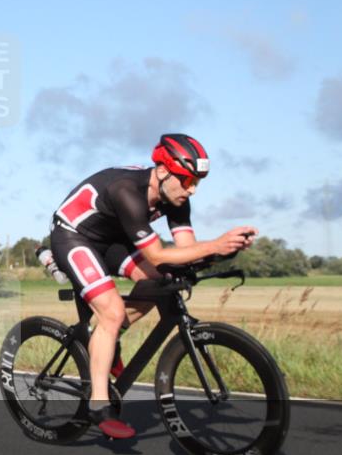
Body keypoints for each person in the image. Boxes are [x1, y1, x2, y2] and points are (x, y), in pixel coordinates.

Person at [48, 134, 256, 439]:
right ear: (162, 171)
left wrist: (224, 249)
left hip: (113, 240)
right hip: (74, 237)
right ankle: (98, 405)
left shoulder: (177, 198)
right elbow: (158, 254)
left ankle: (105, 337)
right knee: (111, 310)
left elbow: (186, 252)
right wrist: (216, 244)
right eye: (187, 180)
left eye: (197, 181)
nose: (192, 189)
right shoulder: (126, 191)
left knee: (161, 283)